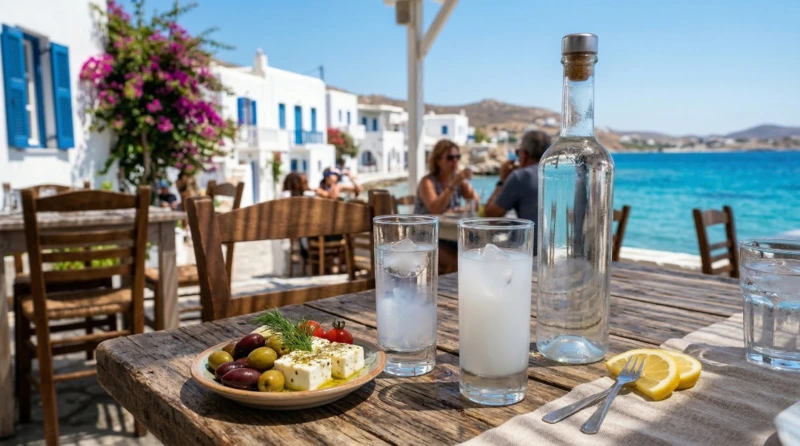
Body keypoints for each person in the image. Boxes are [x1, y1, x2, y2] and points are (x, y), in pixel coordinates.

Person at [484, 130, 551, 251]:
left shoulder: (521, 176)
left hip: (529, 253)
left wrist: (502, 180)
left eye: (517, 153)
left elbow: (490, 215)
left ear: (524, 154)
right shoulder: (557, 174)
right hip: (556, 252)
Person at [414, 139, 478, 215]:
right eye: (450, 158)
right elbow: (435, 210)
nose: (455, 161)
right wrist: (454, 183)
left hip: (449, 225)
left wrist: (462, 209)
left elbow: (475, 204)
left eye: (457, 157)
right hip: (426, 225)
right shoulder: (427, 182)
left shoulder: (459, 180)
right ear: (438, 160)